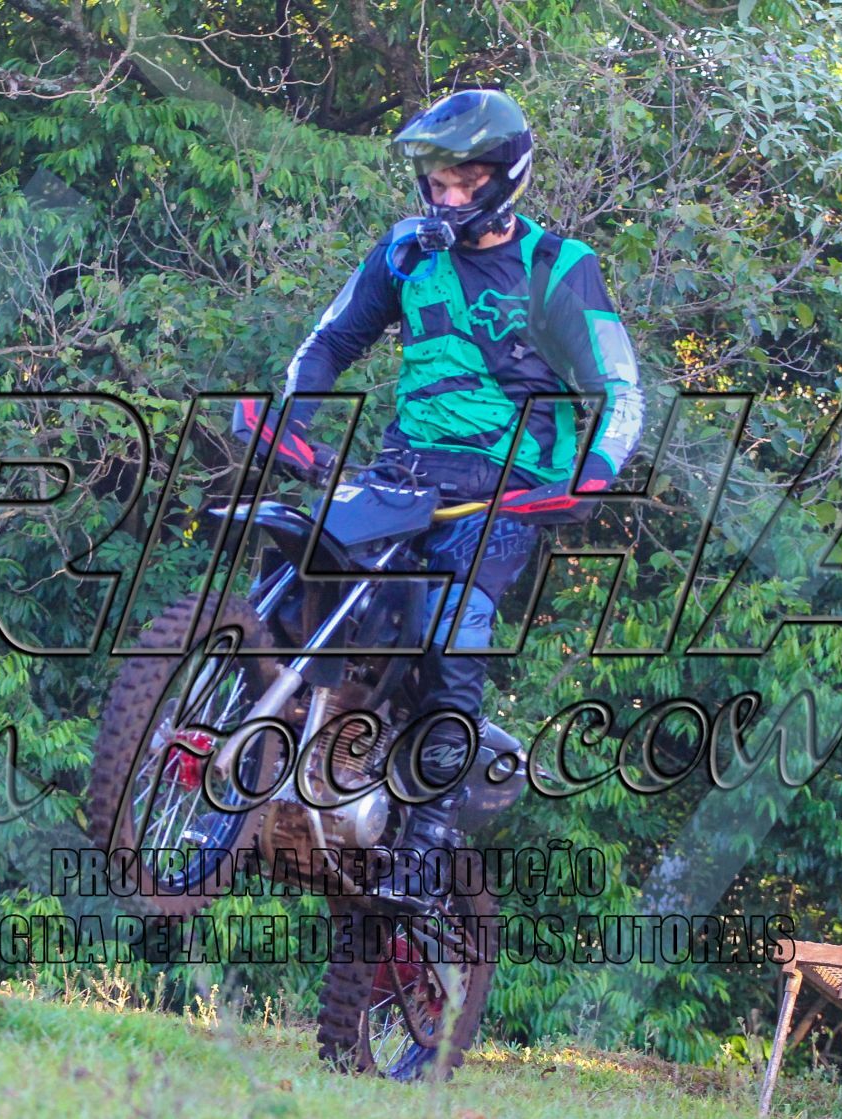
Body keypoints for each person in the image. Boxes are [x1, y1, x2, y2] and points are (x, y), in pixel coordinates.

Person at [232, 87, 644, 882]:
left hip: (506, 491)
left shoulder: (558, 268)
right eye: (437, 182)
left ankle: (428, 835)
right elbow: (329, 342)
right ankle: (260, 744)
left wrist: (594, 473)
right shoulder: (406, 252)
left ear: (506, 177)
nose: (447, 198)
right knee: (293, 568)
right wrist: (294, 420)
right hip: (404, 473)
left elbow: (621, 388)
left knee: (456, 628)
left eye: (465, 182)